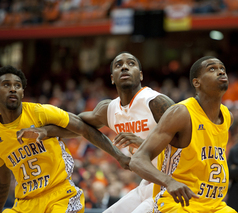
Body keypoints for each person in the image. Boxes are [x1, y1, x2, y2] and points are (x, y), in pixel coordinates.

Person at [19, 52, 175, 213]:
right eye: (118, 65)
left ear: (141, 75)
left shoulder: (156, 102)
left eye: (131, 63)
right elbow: (79, 126)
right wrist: (45, 131)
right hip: (148, 182)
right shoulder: (109, 109)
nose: (125, 67)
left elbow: (188, 144)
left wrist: (143, 145)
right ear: (112, 78)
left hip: (173, 181)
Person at [0, 66, 130, 213]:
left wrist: (119, 156)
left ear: (22, 92)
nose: (13, 89)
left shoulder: (39, 112)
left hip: (59, 196)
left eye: (17, 85)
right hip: (25, 204)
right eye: (6, 85)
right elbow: (3, 179)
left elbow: (83, 128)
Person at [130, 56, 237, 212]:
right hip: (178, 204)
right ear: (196, 82)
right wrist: (169, 182)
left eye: (222, 69)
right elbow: (137, 160)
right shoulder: (181, 113)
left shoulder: (228, 116)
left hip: (214, 206)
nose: (220, 72)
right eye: (212, 69)